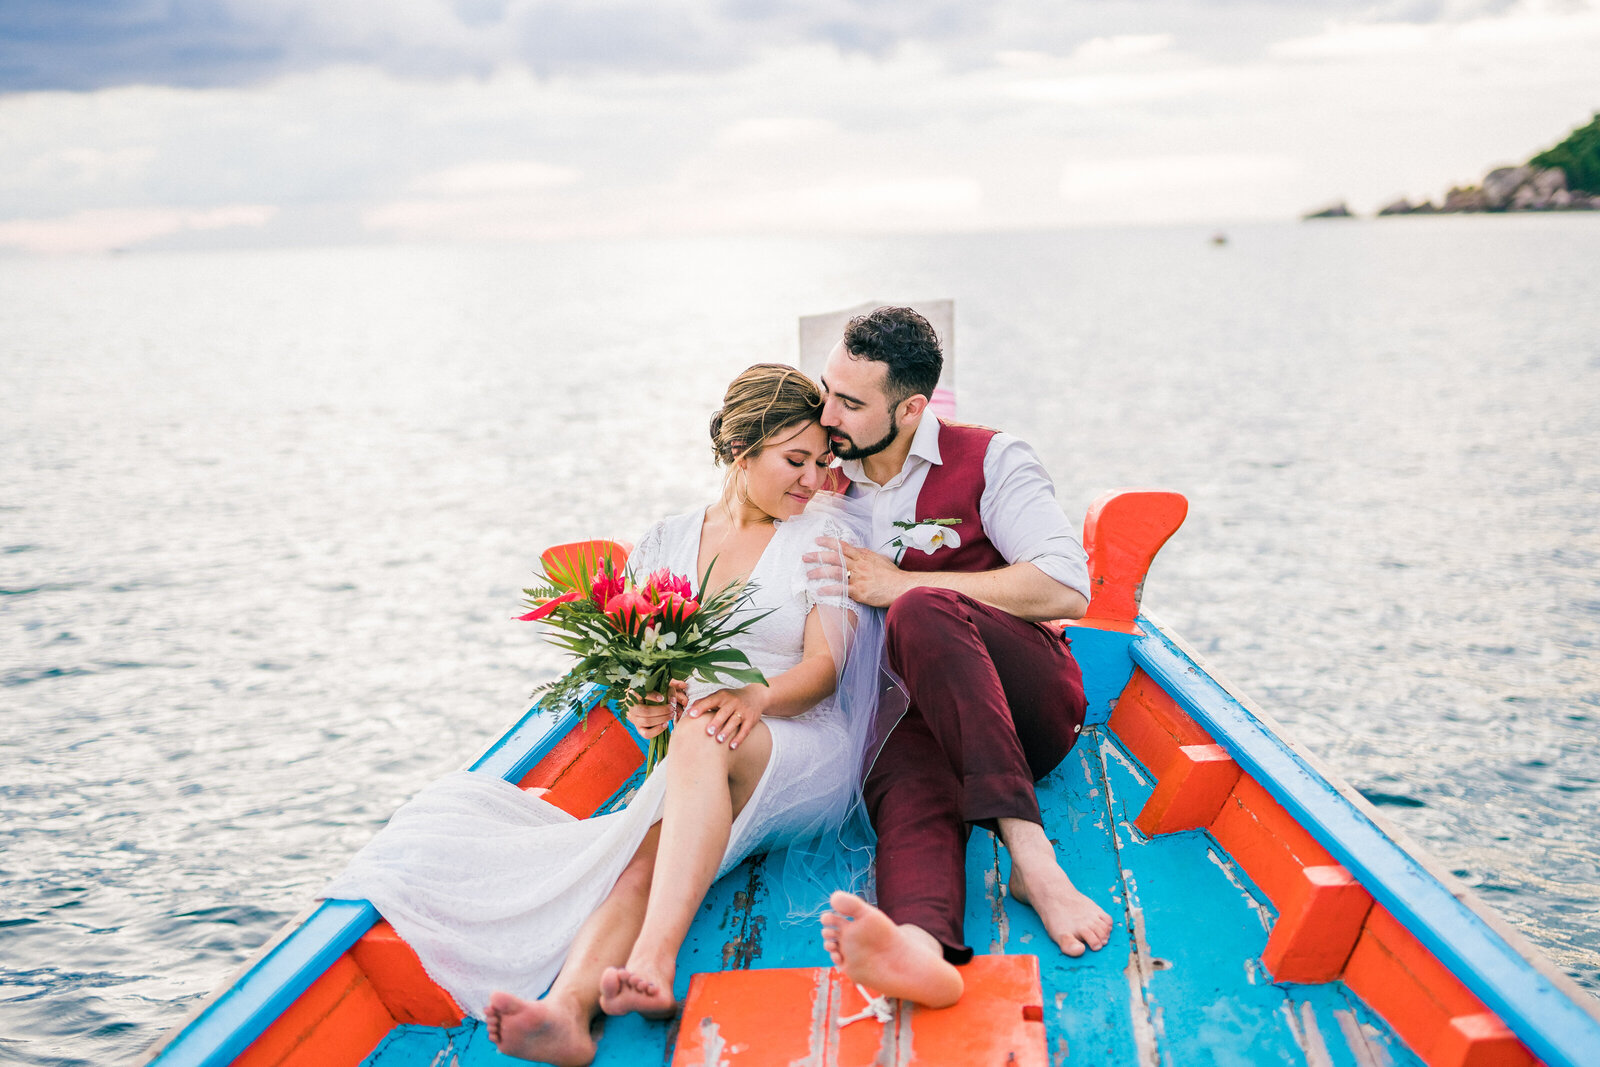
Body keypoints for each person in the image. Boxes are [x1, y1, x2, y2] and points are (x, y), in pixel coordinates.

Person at [323, 364, 882, 1066]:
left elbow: (826, 668)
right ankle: (567, 1010)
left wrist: (756, 696)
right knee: (637, 862)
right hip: (703, 743)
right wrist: (651, 700)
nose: (811, 480)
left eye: (821, 463)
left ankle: (654, 956)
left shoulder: (817, 539)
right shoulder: (669, 541)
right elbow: (651, 676)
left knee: (701, 740)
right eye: (795, 461)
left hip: (803, 741)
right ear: (743, 450)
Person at [808, 306, 1113, 1009]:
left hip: (1024, 703)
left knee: (919, 609)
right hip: (914, 706)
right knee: (906, 777)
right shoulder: (820, 480)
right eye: (828, 389)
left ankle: (1032, 859)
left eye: (850, 402)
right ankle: (919, 948)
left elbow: (1069, 584)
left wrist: (906, 584)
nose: (828, 413)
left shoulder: (992, 457)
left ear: (912, 408)